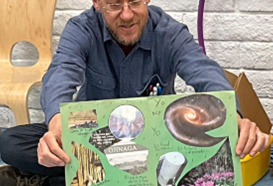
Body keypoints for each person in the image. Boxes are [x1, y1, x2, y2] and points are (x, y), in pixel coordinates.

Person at [0, 0, 270, 185]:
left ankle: (78, 178)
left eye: (135, 2)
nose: (127, 14)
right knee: (10, 142)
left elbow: (204, 72)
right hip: (94, 138)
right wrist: (56, 122)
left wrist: (233, 116)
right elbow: (61, 71)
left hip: (152, 142)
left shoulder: (170, 32)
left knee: (206, 154)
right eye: (115, 4)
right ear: (97, 2)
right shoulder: (81, 29)